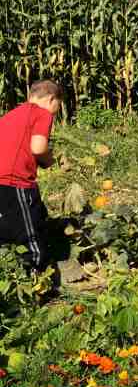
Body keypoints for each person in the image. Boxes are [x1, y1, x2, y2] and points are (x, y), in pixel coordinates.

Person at [0, 80, 63, 272]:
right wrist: (49, 160)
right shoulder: (42, 113)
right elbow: (38, 148)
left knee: (6, 230)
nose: (54, 113)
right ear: (52, 99)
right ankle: (36, 282)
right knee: (30, 236)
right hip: (14, 182)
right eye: (56, 108)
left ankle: (8, 276)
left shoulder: (10, 115)